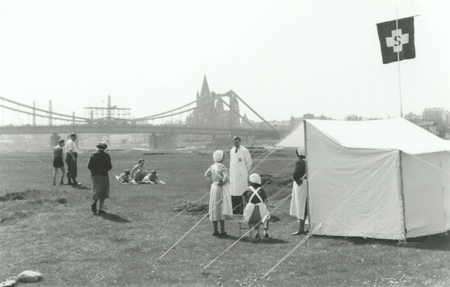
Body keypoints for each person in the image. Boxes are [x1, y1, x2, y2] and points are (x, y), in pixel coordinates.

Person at [205, 150, 233, 236]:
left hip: (214, 187)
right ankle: (223, 230)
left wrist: (212, 181)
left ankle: (215, 230)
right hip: (220, 188)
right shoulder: (223, 167)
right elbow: (226, 177)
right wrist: (223, 182)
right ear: (221, 157)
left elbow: (206, 174)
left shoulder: (212, 166)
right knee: (221, 207)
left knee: (214, 206)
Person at [243, 173, 270, 239]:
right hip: (261, 217)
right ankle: (265, 232)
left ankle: (256, 232)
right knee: (267, 215)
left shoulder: (246, 190)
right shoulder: (262, 190)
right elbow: (264, 202)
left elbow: (244, 203)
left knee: (253, 211)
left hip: (248, 217)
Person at [229, 136, 252, 215]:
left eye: (237, 142)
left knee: (241, 192)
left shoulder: (244, 150)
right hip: (233, 174)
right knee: (233, 192)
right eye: (235, 142)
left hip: (241, 175)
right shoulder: (232, 150)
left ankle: (242, 210)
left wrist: (244, 172)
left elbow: (249, 163)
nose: (236, 144)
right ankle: (235, 209)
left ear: (240, 142)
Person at [88, 142, 112, 215]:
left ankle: (94, 201)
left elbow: (89, 166)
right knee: (103, 191)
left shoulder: (93, 155)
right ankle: (100, 208)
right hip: (103, 174)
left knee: (96, 188)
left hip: (94, 175)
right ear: (105, 148)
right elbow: (109, 166)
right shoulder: (106, 155)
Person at [290, 147, 308, 235]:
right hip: (308, 183)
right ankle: (308, 227)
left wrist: (298, 181)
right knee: (306, 205)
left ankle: (301, 229)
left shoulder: (300, 162)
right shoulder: (309, 161)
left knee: (301, 205)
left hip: (301, 184)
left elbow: (295, 174)